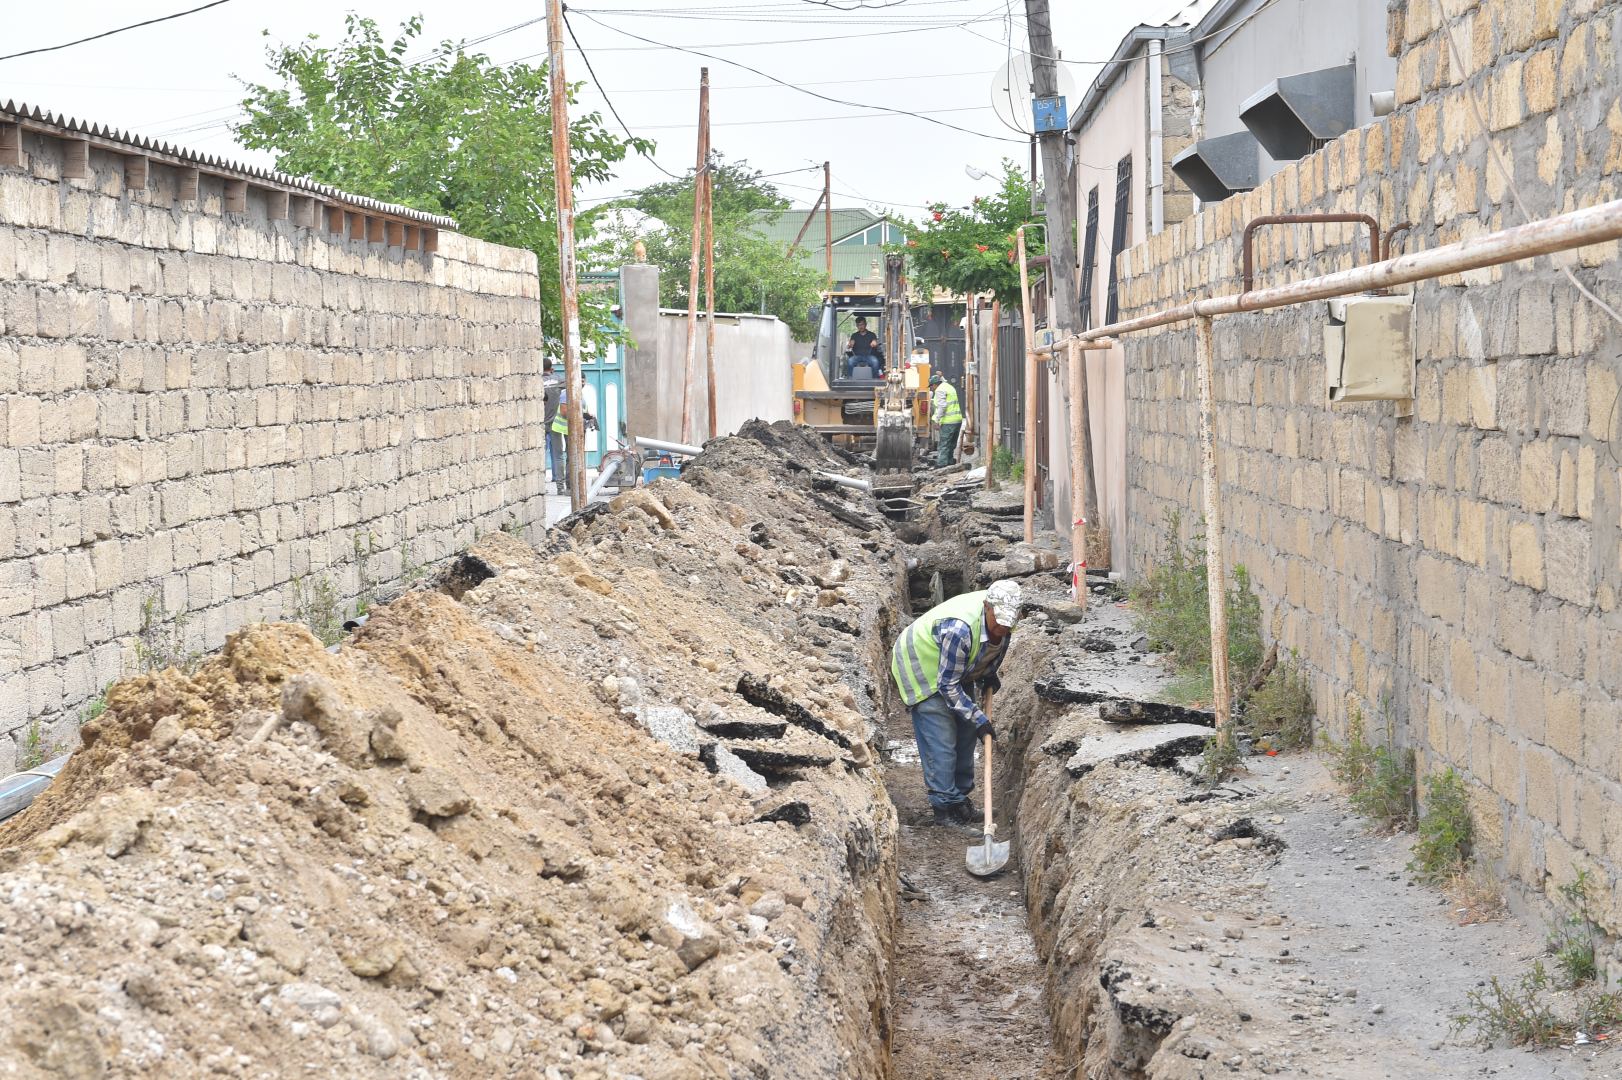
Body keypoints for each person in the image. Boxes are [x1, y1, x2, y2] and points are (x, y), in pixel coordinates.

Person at [890, 580, 1020, 829]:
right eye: (998, 621)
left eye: (1008, 623)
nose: (1003, 627)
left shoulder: (1007, 614)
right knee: (942, 738)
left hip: (954, 668)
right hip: (921, 665)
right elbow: (947, 686)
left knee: (966, 731)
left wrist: (988, 672)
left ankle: (959, 800)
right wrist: (979, 718)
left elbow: (993, 647)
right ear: (986, 607)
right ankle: (943, 808)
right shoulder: (960, 630)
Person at [547, 385, 598, 497]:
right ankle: (562, 487)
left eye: (584, 381)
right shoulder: (567, 392)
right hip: (560, 427)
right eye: (581, 381)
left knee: (571, 457)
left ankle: (572, 485)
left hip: (573, 428)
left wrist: (588, 416)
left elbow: (582, 409)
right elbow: (564, 411)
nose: (582, 383)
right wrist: (582, 415)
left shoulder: (580, 394)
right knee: (560, 456)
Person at [929, 373, 964, 468]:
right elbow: (944, 381)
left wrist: (936, 420)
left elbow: (942, 406)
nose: (931, 388)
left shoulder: (940, 390)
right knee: (952, 444)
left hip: (948, 421)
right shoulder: (948, 386)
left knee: (944, 444)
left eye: (931, 386)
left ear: (935, 384)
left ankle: (942, 464)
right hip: (957, 420)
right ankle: (950, 462)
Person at [542, 359, 565, 493]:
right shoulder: (557, 379)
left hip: (540, 422)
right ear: (551, 368)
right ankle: (560, 487)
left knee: (540, 454)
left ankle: (541, 486)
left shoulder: (537, 381)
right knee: (558, 455)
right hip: (556, 423)